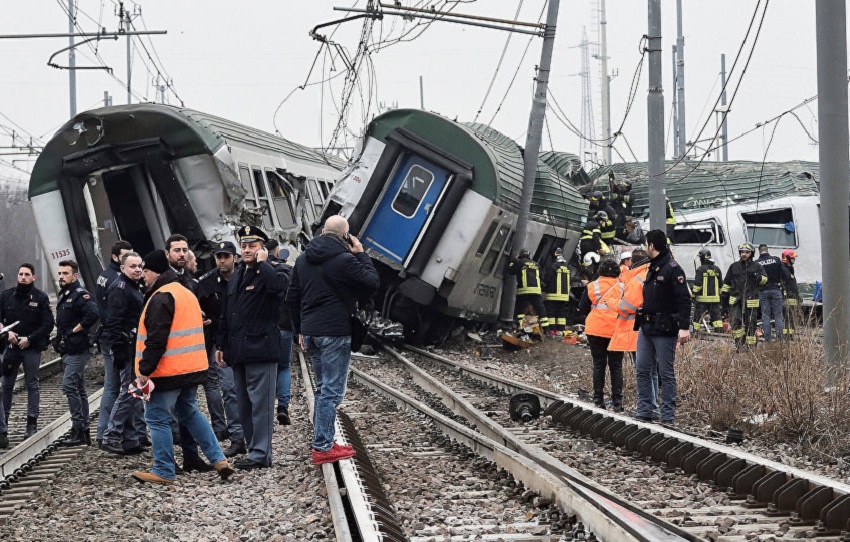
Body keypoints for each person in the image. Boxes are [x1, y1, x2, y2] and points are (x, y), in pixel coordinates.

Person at [131, 249, 233, 485]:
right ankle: (219, 460)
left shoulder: (161, 296)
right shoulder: (185, 292)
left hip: (167, 371)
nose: (143, 277)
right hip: (192, 368)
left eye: (145, 272)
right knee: (190, 412)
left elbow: (157, 340)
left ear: (154, 272)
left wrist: (144, 370)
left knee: (156, 418)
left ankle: (164, 470)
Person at [287, 215, 379, 465]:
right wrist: (361, 253)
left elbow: (292, 297)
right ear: (345, 236)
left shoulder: (303, 259)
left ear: (322, 232)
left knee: (322, 388)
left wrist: (300, 331)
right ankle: (323, 446)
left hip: (311, 331)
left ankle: (324, 439)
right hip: (335, 332)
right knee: (331, 390)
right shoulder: (346, 259)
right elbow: (372, 283)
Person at [215, 226, 286, 470]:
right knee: (244, 404)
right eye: (243, 246)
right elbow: (228, 312)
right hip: (239, 350)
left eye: (252, 246)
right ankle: (253, 447)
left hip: (261, 348)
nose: (246, 250)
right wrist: (222, 343)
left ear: (263, 249)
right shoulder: (237, 275)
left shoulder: (272, 271)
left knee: (261, 405)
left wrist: (264, 264)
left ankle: (261, 453)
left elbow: (278, 289)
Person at [634, 230, 691, 424]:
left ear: (651, 246)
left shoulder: (673, 269)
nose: (644, 248)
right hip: (647, 326)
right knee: (642, 368)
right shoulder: (653, 267)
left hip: (665, 328)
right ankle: (645, 411)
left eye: (645, 244)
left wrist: (684, 327)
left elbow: (684, 300)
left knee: (665, 373)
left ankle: (667, 415)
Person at [197, 241, 246, 456]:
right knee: (229, 388)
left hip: (245, 340)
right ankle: (236, 435)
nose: (222, 261)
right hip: (220, 341)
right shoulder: (207, 283)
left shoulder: (245, 277)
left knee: (248, 389)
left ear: (235, 258)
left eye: (226, 256)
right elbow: (196, 304)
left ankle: (250, 433)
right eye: (219, 257)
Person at [0, 264, 54, 444]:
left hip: (31, 347)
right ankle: (3, 423)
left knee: (32, 383)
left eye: (27, 274)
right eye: (20, 274)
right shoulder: (6, 296)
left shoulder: (40, 298)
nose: (23, 277)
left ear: (34, 277)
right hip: (11, 347)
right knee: (6, 385)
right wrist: (7, 334)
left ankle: (32, 422)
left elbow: (48, 324)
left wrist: (30, 338)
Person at [100, 252, 147, 455]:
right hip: (127, 347)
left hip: (133, 346)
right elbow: (114, 321)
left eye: (139, 266)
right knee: (131, 391)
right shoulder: (120, 289)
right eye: (132, 266)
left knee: (135, 394)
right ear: (122, 268)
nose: (137, 269)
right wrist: (118, 348)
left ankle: (129, 438)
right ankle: (111, 435)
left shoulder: (132, 287)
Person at [55, 260, 100, 446]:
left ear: (74, 276)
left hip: (78, 348)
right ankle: (84, 431)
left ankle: (77, 428)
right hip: (69, 349)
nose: (61, 277)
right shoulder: (65, 295)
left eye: (65, 273)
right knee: (79, 388)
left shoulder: (80, 295)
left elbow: (93, 313)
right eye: (60, 273)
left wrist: (76, 330)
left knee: (69, 386)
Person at [95, 241, 133, 447]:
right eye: (125, 256)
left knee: (115, 388)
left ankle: (112, 432)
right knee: (115, 388)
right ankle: (106, 433)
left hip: (108, 337)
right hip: (115, 339)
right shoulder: (116, 280)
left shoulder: (104, 276)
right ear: (116, 257)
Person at [579, 260, 625, 411]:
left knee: (599, 364)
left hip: (596, 329)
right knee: (616, 366)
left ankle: (598, 400)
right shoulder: (623, 287)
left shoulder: (592, 286)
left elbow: (582, 307)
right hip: (616, 330)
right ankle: (617, 402)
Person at [267, 239, 295, 426]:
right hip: (285, 326)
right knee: (284, 367)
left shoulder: (258, 271)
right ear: (277, 252)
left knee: (267, 368)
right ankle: (283, 406)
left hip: (267, 327)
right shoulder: (288, 271)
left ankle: (266, 406)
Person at [721, 243, 767, 350]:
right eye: (742, 252)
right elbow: (726, 284)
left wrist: (757, 277)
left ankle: (751, 347)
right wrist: (724, 300)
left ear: (751, 254)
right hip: (736, 300)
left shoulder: (757, 266)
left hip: (751, 300)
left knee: (750, 323)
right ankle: (740, 345)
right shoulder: (734, 266)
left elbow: (765, 280)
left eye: (747, 252)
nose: (744, 254)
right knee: (735, 322)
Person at [507, 249, 548, 333]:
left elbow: (510, 271)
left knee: (520, 310)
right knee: (541, 310)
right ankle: (546, 329)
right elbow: (542, 277)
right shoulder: (536, 264)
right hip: (536, 291)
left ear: (520, 255)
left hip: (523, 291)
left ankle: (520, 326)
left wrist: (513, 261)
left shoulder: (520, 263)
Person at [756, 244, 790, 342]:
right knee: (778, 315)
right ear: (767, 250)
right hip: (776, 289)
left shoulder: (757, 263)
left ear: (759, 251)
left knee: (765, 315)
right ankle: (780, 338)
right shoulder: (776, 260)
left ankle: (767, 338)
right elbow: (785, 274)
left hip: (763, 291)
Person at [692, 248, 724, 335]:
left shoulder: (700, 269)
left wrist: (693, 294)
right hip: (715, 300)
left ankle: (695, 335)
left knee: (697, 318)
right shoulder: (717, 269)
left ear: (702, 258)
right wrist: (719, 297)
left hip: (702, 300)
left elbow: (697, 286)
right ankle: (720, 333)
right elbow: (721, 286)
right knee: (717, 318)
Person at [542, 248, 570, 334]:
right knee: (561, 314)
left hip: (553, 295)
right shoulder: (566, 267)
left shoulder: (552, 266)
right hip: (564, 296)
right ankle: (560, 330)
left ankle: (552, 330)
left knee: (551, 314)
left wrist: (543, 287)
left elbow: (547, 279)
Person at [781, 250, 800, 339]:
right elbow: (788, 284)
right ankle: (787, 335)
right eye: (792, 258)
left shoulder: (789, 268)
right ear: (787, 258)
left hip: (792, 296)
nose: (794, 260)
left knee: (791, 316)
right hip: (788, 296)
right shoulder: (784, 270)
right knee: (787, 316)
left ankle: (790, 334)